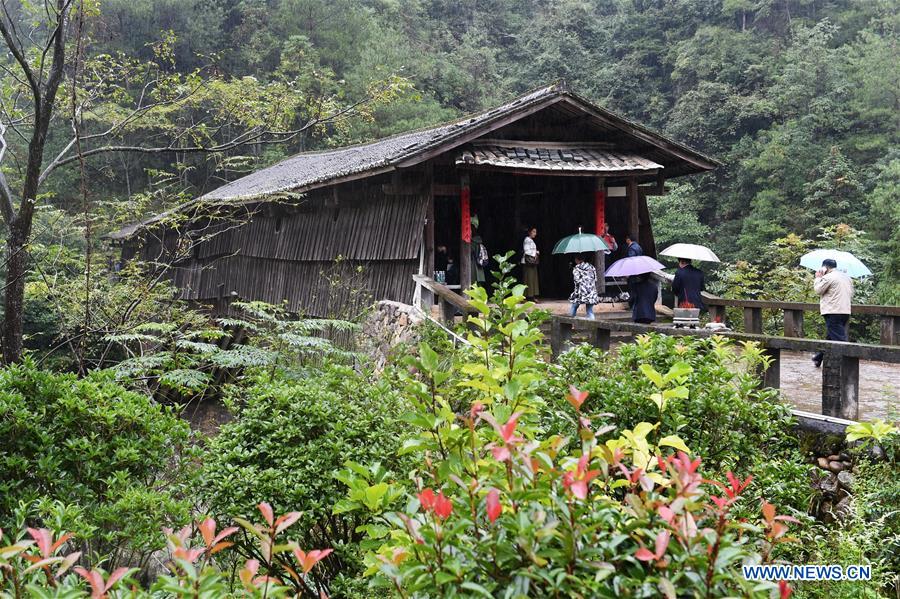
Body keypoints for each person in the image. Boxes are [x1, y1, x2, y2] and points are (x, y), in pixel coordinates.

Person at [812, 258, 853, 367]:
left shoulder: (828, 277)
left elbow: (818, 290)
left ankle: (847, 364)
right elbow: (851, 293)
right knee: (831, 336)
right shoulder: (847, 278)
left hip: (833, 311)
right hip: (845, 311)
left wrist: (818, 278)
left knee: (840, 339)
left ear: (825, 267)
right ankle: (818, 357)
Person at [569, 254, 600, 319]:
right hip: (591, 291)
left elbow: (576, 280)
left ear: (576, 260)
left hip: (581, 291)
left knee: (574, 306)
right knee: (589, 310)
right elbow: (595, 279)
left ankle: (570, 322)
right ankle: (592, 325)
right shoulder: (591, 267)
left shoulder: (577, 268)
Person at [522, 226, 540, 300]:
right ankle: (527, 296)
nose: (535, 233)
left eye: (535, 232)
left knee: (532, 279)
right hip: (528, 262)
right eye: (533, 232)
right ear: (529, 232)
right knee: (528, 279)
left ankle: (531, 295)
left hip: (532, 262)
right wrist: (535, 253)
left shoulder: (531, 240)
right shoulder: (527, 240)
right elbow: (526, 251)